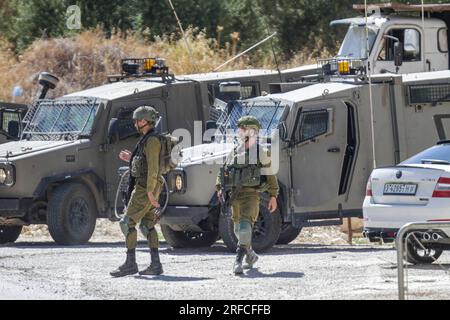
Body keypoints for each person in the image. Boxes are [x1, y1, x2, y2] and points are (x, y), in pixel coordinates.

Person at [216, 115, 279, 275]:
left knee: (244, 227)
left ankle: (238, 260)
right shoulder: (236, 150)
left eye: (242, 129)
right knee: (237, 229)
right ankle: (250, 255)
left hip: (251, 194)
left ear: (252, 131)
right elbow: (223, 170)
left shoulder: (261, 152)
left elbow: (270, 174)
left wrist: (273, 195)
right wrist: (220, 187)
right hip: (234, 195)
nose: (239, 131)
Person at [111, 106, 165, 277]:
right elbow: (146, 164)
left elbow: (154, 169)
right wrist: (132, 159)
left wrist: (149, 192)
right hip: (149, 186)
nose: (135, 123)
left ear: (145, 121)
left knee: (126, 223)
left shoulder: (152, 141)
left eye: (137, 120)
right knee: (147, 225)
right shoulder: (148, 139)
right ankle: (156, 265)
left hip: (145, 187)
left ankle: (130, 263)